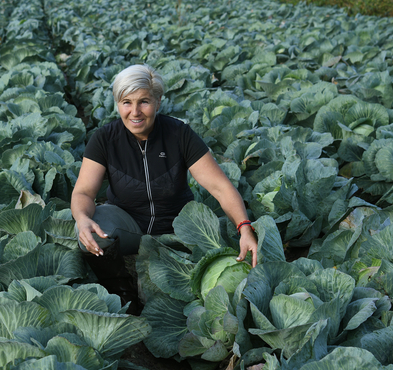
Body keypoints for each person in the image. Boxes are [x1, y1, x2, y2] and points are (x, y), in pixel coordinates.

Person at [71, 64, 258, 307]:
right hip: (129, 226)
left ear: (158, 102)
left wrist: (244, 228)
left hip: (176, 231)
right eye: (126, 102)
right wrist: (82, 218)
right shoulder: (105, 139)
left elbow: (220, 187)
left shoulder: (179, 135)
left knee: (169, 303)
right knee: (90, 230)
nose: (135, 112)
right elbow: (84, 191)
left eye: (144, 101)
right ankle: (120, 289)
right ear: (117, 104)